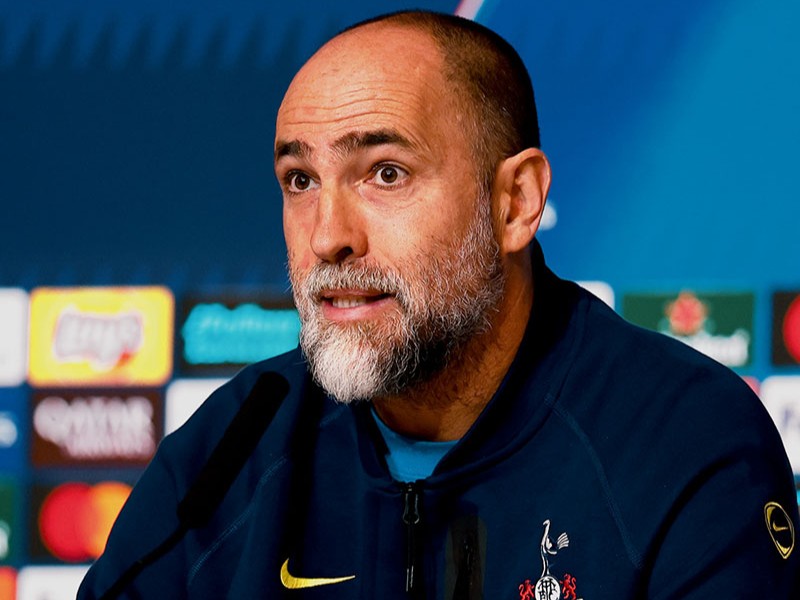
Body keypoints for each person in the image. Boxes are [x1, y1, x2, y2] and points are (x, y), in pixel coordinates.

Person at [79, 10, 799, 598]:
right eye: (300, 180)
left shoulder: (683, 440)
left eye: (385, 173)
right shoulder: (229, 451)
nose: (328, 237)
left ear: (515, 202)